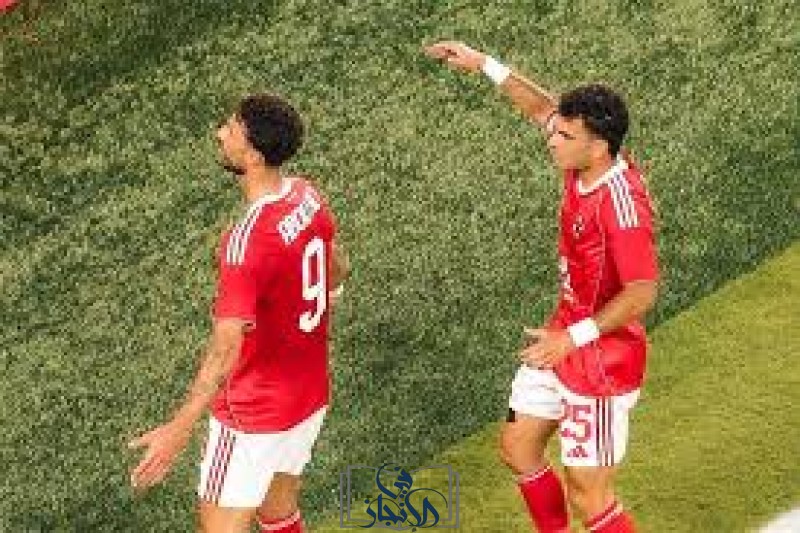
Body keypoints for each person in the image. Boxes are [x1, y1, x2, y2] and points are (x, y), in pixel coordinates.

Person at [425, 42, 659, 533]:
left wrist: (571, 339)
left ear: (598, 146)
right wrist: (483, 64)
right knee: (518, 448)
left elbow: (641, 292)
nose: (552, 140)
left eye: (564, 135)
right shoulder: (584, 158)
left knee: (590, 496)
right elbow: (539, 107)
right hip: (564, 335)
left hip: (602, 361)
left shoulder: (621, 206)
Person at [129, 93, 350, 533]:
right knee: (279, 514)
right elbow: (334, 262)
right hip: (307, 397)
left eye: (230, 129)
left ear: (253, 156)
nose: (219, 134)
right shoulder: (306, 195)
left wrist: (178, 429)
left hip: (252, 415)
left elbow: (223, 350)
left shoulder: (246, 241)